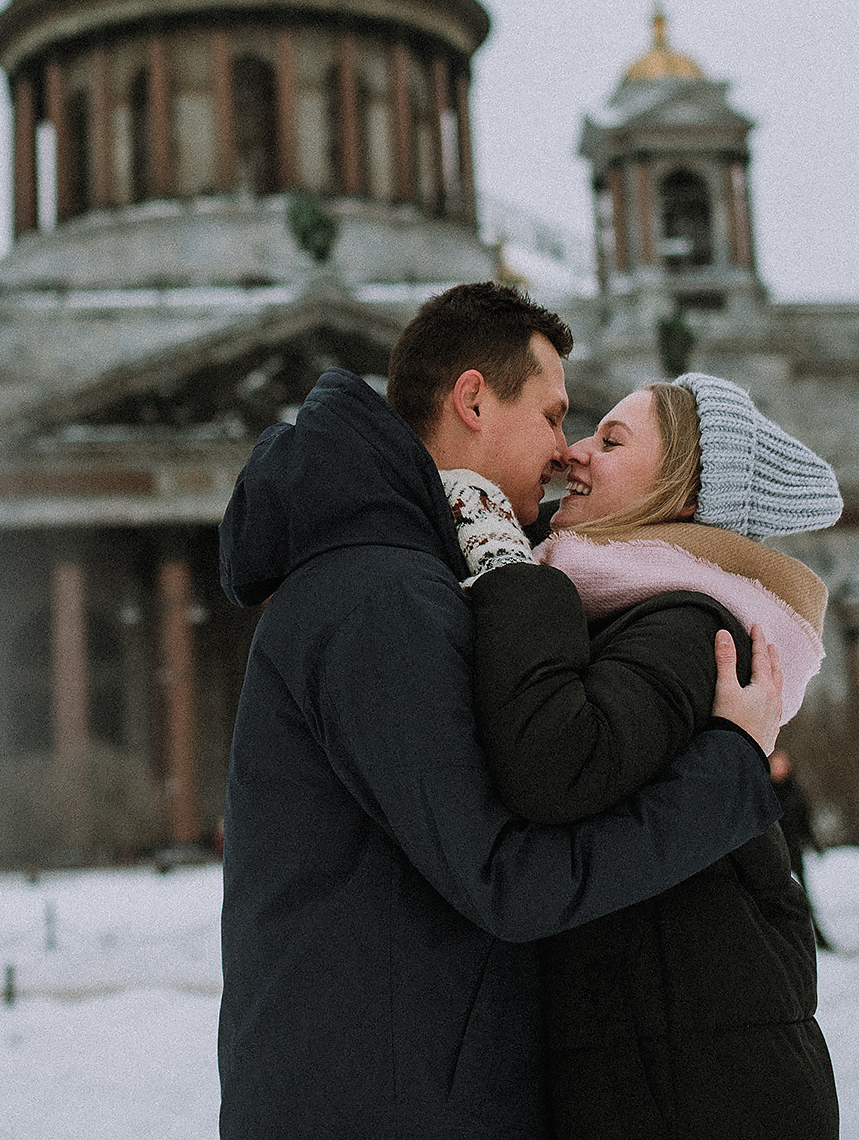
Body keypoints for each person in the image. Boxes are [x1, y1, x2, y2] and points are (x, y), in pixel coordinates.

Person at [216, 284, 788, 1139]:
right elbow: (508, 881)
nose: (564, 451)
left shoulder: (403, 574)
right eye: (554, 416)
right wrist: (729, 771)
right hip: (393, 1109)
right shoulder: (385, 596)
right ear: (474, 399)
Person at [454, 374, 843, 1139]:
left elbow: (560, 765)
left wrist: (507, 571)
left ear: (685, 493)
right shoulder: (623, 614)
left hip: (702, 1090)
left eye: (612, 440)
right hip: (666, 1065)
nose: (574, 452)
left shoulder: (692, 626)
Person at [773, 750, 837, 950]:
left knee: (803, 895)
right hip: (775, 852)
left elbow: (804, 822)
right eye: (775, 764)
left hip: (794, 850)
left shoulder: (795, 792)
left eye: (782, 764)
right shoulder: (766, 792)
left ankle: (816, 936)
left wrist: (814, 843)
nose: (779, 768)